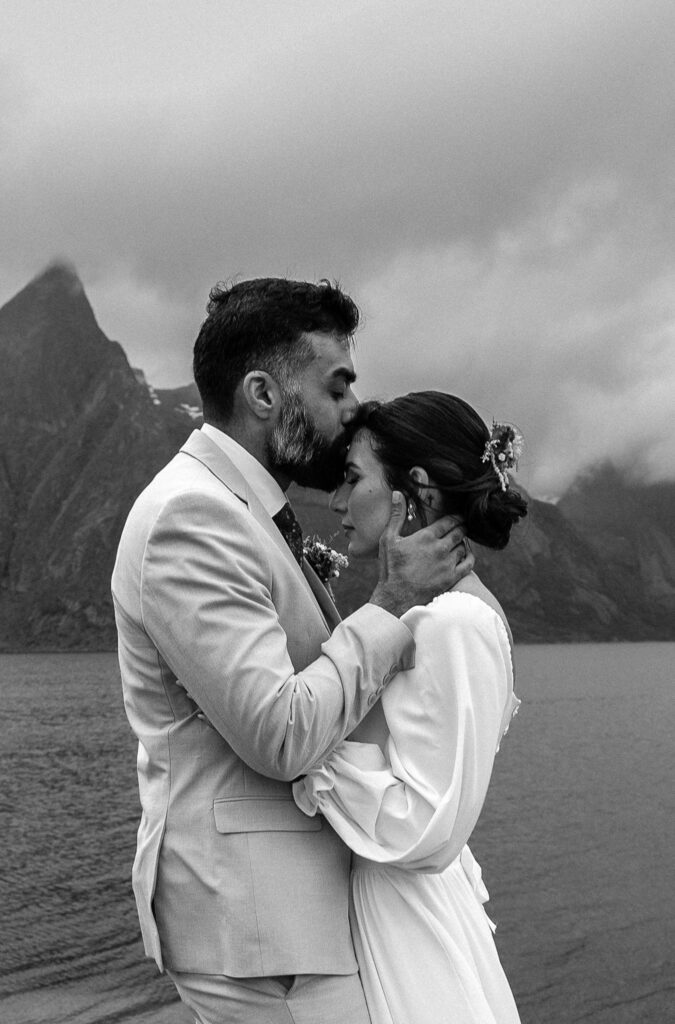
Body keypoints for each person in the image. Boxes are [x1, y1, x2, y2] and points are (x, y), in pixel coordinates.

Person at [111, 279, 474, 1024]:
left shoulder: (243, 510)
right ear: (263, 393)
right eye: (336, 385)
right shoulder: (193, 518)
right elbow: (279, 734)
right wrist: (389, 604)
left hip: (287, 924)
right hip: (258, 930)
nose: (350, 410)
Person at [293, 391, 528, 1024]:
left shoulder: (454, 622)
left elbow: (425, 830)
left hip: (410, 925)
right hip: (388, 907)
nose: (337, 503)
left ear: (412, 491)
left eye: (351, 479)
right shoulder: (425, 613)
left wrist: (304, 754)